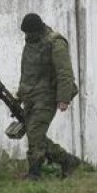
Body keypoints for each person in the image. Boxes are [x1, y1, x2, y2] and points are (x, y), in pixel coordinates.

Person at [16, 13, 81, 179]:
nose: (27, 36)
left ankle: (34, 173)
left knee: (35, 133)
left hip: (47, 96)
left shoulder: (55, 43)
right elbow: (27, 72)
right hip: (31, 96)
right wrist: (20, 95)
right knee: (34, 133)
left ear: (37, 29)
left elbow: (65, 73)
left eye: (29, 32)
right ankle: (67, 161)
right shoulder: (31, 43)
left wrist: (63, 99)